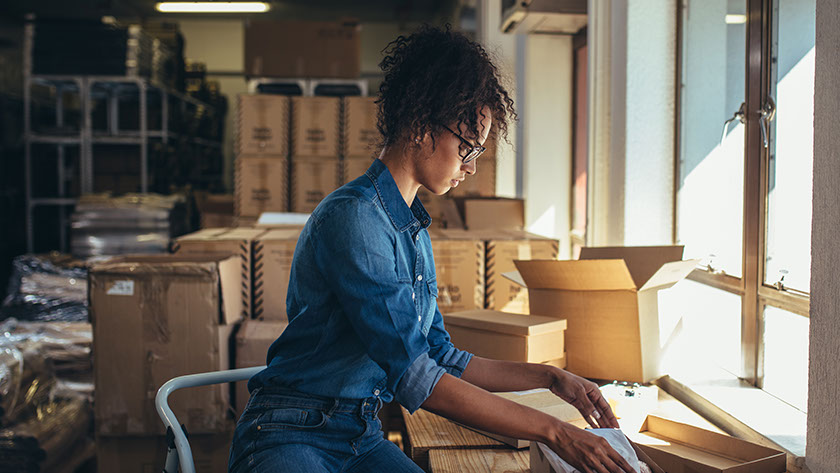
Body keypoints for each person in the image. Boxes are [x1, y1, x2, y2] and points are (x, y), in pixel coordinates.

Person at [228, 25, 637, 473]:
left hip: (358, 434)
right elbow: (414, 378)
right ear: (423, 127)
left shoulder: (413, 229)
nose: (472, 166)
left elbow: (440, 357)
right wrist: (556, 431)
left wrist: (549, 377)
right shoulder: (356, 219)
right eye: (466, 147)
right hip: (290, 432)